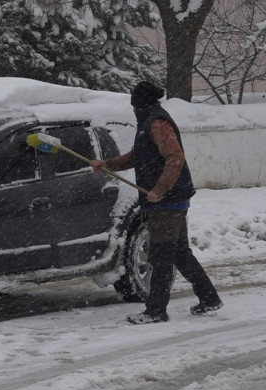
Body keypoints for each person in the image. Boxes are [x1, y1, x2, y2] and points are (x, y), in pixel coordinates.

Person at [90, 81, 223, 324]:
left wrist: (159, 190)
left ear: (139, 104)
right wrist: (107, 165)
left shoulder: (157, 123)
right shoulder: (149, 122)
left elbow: (175, 158)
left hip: (167, 202)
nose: (132, 110)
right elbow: (136, 156)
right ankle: (209, 298)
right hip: (171, 199)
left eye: (133, 105)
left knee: (161, 255)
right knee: (180, 253)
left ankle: (156, 311)